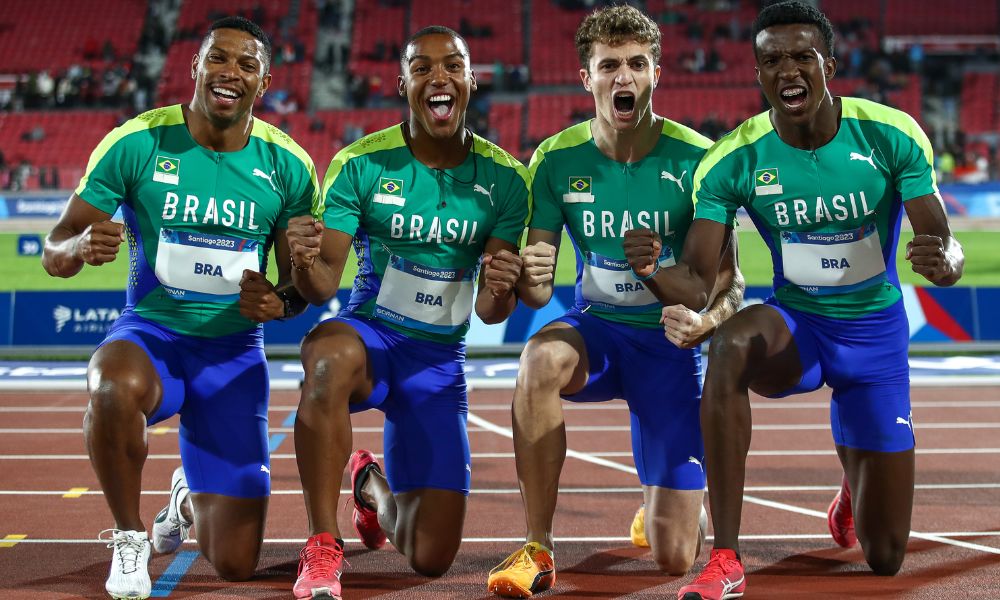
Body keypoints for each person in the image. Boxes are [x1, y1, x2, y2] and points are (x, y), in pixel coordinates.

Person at [622, 3, 964, 599]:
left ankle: (857, 485)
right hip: (797, 327)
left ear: (828, 64)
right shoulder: (733, 158)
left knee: (884, 558)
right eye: (772, 59)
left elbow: (945, 244)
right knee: (728, 343)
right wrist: (652, 272)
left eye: (802, 56)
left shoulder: (890, 133)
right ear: (757, 75)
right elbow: (701, 283)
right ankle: (726, 557)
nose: (788, 70)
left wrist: (948, 264)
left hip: (874, 336)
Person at [41, 17, 318, 600]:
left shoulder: (290, 166)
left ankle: (185, 496)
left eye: (247, 65)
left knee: (236, 564)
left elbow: (298, 288)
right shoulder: (137, 141)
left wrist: (279, 300)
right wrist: (79, 247)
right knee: (110, 386)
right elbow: (54, 249)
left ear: (263, 83)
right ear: (195, 66)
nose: (230, 73)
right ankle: (127, 536)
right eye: (219, 59)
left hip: (234, 356)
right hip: (152, 337)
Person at [486, 5, 743, 598]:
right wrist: (525, 276)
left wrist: (706, 320)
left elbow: (731, 283)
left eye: (635, 64)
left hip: (669, 346)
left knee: (675, 557)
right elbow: (540, 289)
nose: (622, 77)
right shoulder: (554, 159)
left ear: (656, 73)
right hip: (596, 330)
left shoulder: (700, 159)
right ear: (587, 78)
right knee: (538, 361)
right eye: (609, 66)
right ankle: (537, 548)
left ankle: (674, 502)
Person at [286, 26, 531, 600]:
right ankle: (323, 545)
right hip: (371, 341)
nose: (438, 77)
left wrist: (501, 286)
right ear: (403, 84)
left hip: (438, 365)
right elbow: (323, 280)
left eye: (453, 66)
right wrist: (301, 261)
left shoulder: (505, 180)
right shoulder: (361, 164)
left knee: (430, 559)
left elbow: (493, 313)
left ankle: (370, 486)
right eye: (422, 68)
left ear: (472, 81)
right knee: (324, 351)